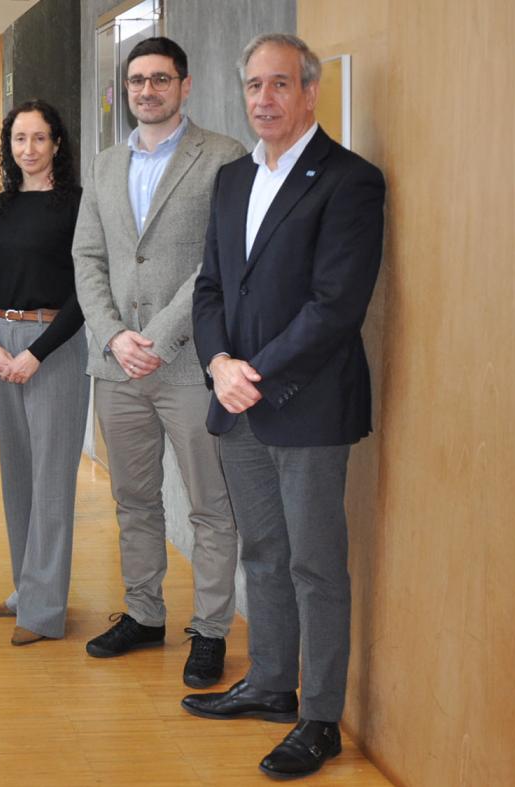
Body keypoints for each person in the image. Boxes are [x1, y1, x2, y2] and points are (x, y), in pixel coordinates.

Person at [183, 34, 385, 779]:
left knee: (314, 565)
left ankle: (320, 718)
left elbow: (335, 307)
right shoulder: (233, 179)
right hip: (236, 402)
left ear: (309, 92)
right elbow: (211, 287)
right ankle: (271, 683)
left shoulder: (350, 180)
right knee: (263, 552)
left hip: (307, 405)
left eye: (279, 84)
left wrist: (254, 374)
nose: (263, 99)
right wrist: (218, 365)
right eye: (253, 86)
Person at [71, 36, 245, 687]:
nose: (147, 90)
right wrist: (114, 335)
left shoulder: (224, 157)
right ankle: (144, 614)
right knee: (134, 499)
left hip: (192, 363)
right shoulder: (105, 164)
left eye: (160, 79)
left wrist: (160, 336)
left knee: (210, 505)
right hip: (117, 366)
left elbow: (219, 259)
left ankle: (211, 629)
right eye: (137, 80)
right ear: (126, 89)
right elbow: (88, 257)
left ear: (184, 85)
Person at [0, 100, 87, 646]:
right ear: (8, 146)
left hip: (53, 346)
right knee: (17, 473)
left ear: (57, 144)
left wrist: (36, 352)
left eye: (40, 138)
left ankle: (44, 611)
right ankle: (26, 586)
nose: (29, 149)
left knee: (51, 478)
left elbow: (84, 293)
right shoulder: (0, 207)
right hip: (3, 343)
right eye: (20, 138)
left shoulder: (77, 206)